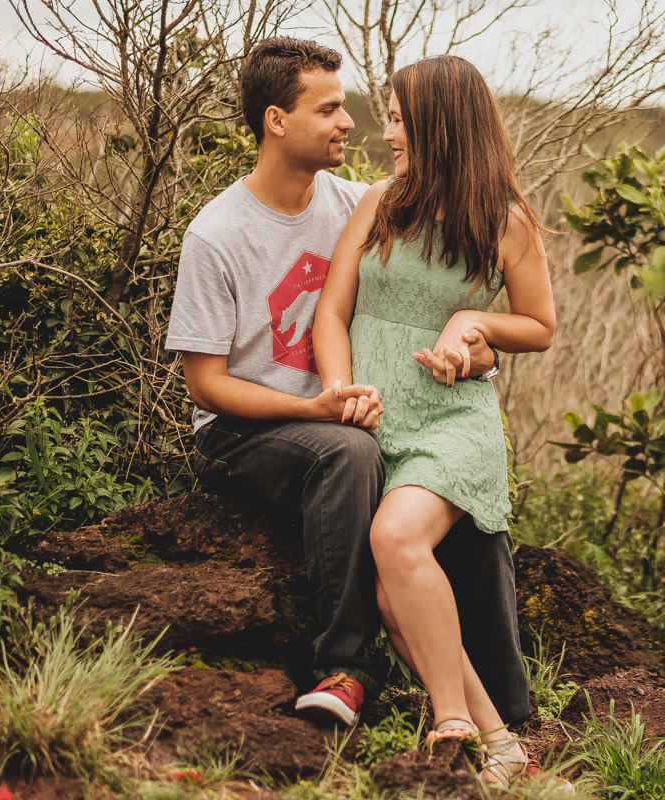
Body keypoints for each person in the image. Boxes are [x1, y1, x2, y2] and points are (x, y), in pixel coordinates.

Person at [164, 37, 528, 731]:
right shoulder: (217, 234)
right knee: (350, 455)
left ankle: (504, 716)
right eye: (329, 108)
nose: (350, 123)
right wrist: (315, 406)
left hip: (350, 411)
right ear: (277, 121)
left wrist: (479, 356)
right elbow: (205, 386)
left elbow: (430, 297)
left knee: (471, 515)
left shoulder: (360, 204)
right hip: (247, 430)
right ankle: (347, 668)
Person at [312, 55, 566, 791]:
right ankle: (502, 746)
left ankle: (449, 726)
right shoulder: (382, 203)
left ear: (439, 127)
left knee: (394, 538)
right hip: (373, 417)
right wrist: (339, 389)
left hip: (453, 425)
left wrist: (471, 319)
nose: (386, 133)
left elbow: (541, 326)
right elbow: (332, 312)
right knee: (395, 592)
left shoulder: (505, 220)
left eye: (398, 119)